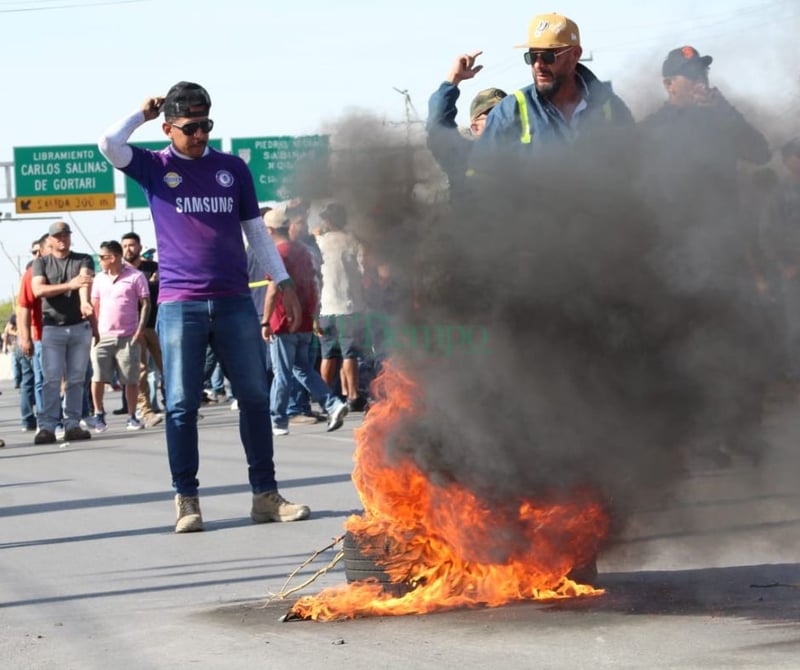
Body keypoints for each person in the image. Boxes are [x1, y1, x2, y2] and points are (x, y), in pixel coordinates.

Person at [99, 80, 307, 533]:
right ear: (169, 127)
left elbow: (255, 231)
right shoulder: (154, 167)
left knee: (254, 397)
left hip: (233, 302)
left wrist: (284, 279)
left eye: (206, 125)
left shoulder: (232, 168)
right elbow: (108, 144)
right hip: (179, 305)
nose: (200, 135)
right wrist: (142, 114)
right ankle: (187, 500)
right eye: (190, 127)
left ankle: (265, 496)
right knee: (180, 405)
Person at [638, 46, 771, 464]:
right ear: (668, 84)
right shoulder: (651, 129)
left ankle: (743, 433)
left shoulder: (721, 118)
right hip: (675, 259)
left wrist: (724, 109)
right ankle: (701, 438)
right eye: (689, 75)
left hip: (727, 253)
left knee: (742, 345)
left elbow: (760, 152)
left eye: (703, 74)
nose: (700, 82)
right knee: (690, 351)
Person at [475, 13, 633, 154]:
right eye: (532, 56)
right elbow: (482, 177)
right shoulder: (508, 112)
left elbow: (634, 170)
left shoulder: (611, 107)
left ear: (575, 54)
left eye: (548, 56)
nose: (538, 65)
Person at [261, 207, 349, 436]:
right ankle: (333, 404)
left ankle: (278, 420)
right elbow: (316, 282)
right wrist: (315, 314)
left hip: (283, 320)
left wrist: (265, 321)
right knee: (303, 368)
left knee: (282, 372)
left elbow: (273, 291)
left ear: (269, 230)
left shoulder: (277, 253)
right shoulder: (305, 250)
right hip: (305, 320)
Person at [31, 221, 94, 445]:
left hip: (79, 326)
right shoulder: (41, 263)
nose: (62, 239)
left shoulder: (83, 259)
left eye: (65, 235)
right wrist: (70, 285)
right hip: (52, 328)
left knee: (77, 379)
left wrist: (85, 302)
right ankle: (46, 427)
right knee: (51, 379)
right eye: (57, 236)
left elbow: (84, 281)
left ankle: (72, 425)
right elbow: (38, 290)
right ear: (50, 240)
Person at [86, 240, 150, 433]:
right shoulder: (98, 279)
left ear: (113, 257)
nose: (100, 261)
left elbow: (146, 303)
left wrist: (139, 330)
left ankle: (132, 416)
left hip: (128, 336)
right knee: (97, 377)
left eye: (102, 257)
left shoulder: (136, 277)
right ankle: (98, 414)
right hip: (102, 336)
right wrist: (93, 331)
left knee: (130, 379)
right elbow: (94, 306)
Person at [426, 51, 506, 198]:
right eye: (491, 115)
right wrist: (453, 79)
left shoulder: (525, 154)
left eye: (504, 114)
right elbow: (438, 127)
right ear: (475, 128)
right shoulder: (462, 156)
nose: (500, 120)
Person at [312, 203, 368, 412]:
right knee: (349, 354)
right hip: (348, 307)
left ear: (329, 220)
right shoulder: (353, 242)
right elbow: (363, 272)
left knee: (328, 355)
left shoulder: (318, 242)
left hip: (325, 308)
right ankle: (353, 396)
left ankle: (326, 399)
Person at [121, 231, 164, 427]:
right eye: (124, 246)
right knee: (140, 372)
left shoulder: (153, 267)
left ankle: (176, 406)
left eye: (131, 245)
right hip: (133, 328)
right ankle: (146, 411)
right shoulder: (121, 272)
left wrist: (156, 280)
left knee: (169, 367)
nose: (128, 249)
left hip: (156, 324)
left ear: (139, 247)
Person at [16, 234, 50, 420]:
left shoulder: (69, 267)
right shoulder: (31, 273)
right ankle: (41, 420)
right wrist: (25, 337)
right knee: (38, 380)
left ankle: (70, 418)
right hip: (39, 337)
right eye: (35, 252)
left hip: (66, 332)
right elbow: (23, 307)